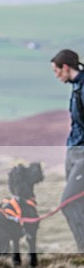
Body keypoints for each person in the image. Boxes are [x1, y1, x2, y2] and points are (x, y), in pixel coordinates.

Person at [51, 49, 84, 251]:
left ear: (65, 67)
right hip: (75, 152)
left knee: (69, 203)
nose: (56, 76)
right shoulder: (77, 87)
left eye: (56, 71)